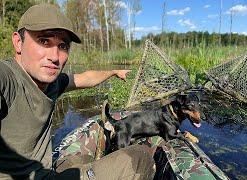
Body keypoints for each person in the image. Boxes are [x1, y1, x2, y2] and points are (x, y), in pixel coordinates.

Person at [0, 3, 155, 180]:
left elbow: (84, 78)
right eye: (44, 41)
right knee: (141, 158)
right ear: (18, 42)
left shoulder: (53, 83)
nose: (55, 57)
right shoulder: (7, 78)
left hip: (46, 173)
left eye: (63, 46)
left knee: (79, 160)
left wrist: (113, 72)